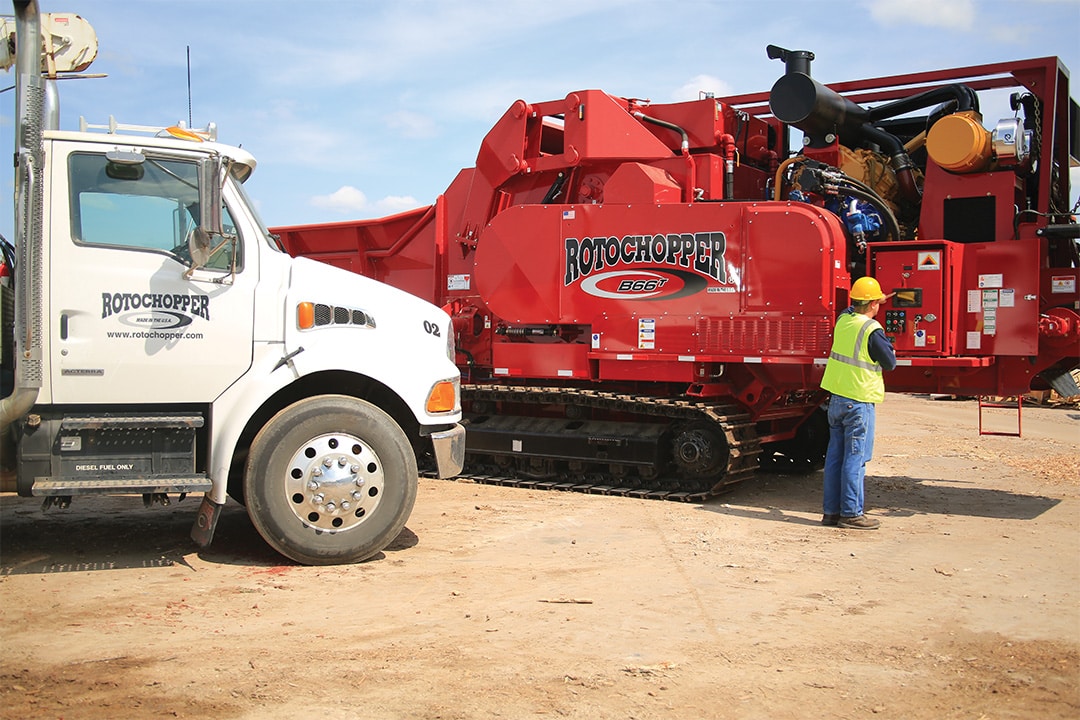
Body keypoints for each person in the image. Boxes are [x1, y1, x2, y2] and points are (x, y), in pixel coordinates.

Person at [820, 276, 896, 530]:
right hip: (859, 401)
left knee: (834, 457)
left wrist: (870, 301)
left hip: (837, 400)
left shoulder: (843, 321)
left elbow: (849, 309)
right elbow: (890, 363)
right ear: (874, 304)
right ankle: (851, 513)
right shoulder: (872, 330)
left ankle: (831, 513)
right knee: (855, 458)